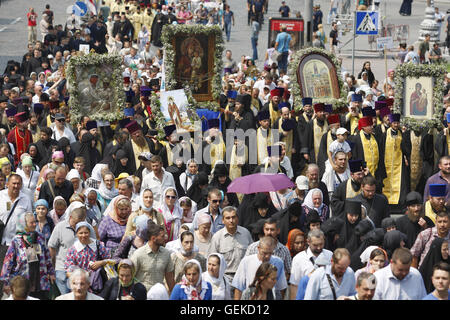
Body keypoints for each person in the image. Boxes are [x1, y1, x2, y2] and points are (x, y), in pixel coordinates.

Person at [0, 212, 55, 300]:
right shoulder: (16, 241)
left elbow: (47, 257)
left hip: (39, 281)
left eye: (35, 222)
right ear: (24, 224)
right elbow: (7, 262)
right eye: (31, 223)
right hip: (22, 283)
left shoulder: (40, 237)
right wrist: (6, 283)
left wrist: (51, 272)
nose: (34, 224)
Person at [208, 206, 253, 285]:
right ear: (223, 220)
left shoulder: (246, 233)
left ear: (237, 219)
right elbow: (211, 259)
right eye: (228, 218)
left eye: (233, 217)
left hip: (245, 277)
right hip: (225, 278)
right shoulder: (217, 237)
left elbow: (253, 255)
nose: (231, 220)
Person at [232, 236, 287, 300]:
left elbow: (281, 288)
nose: (267, 256)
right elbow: (239, 287)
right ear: (258, 248)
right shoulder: (246, 261)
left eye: (270, 253)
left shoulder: (278, 262)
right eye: (264, 253)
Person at [130, 222, 175, 292]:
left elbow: (170, 279)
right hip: (142, 295)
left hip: (159, 295)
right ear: (153, 238)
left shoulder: (166, 254)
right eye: (162, 236)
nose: (165, 238)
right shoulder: (138, 254)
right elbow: (129, 276)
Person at [289, 229, 333, 299]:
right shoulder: (298, 259)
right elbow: (294, 285)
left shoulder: (329, 255)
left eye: (321, 244)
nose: (319, 248)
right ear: (308, 242)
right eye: (315, 245)